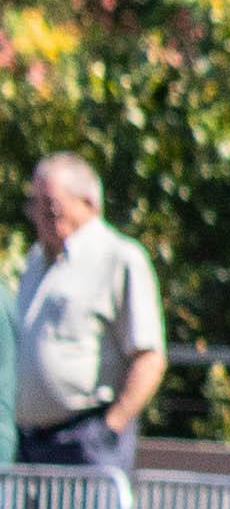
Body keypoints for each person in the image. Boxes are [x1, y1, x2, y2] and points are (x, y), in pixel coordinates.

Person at [16, 156, 166, 473]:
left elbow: (149, 357)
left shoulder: (119, 257)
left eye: (51, 206)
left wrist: (111, 427)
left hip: (85, 441)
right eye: (35, 205)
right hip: (29, 442)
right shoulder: (36, 259)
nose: (40, 216)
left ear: (88, 202)